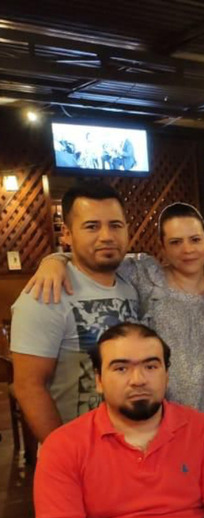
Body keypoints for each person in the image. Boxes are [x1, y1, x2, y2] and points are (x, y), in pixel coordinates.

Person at [34, 323, 204, 518]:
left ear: (166, 375)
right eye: (121, 368)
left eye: (151, 366)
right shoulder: (62, 446)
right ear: (99, 380)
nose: (138, 380)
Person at [24, 202, 204, 424]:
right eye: (175, 242)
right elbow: (93, 259)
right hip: (154, 415)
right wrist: (54, 260)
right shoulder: (147, 276)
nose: (187, 250)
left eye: (195, 239)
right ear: (163, 247)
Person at [11, 182, 139, 442]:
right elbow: (28, 386)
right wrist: (64, 453)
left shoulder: (132, 284)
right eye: (92, 226)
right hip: (80, 447)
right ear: (67, 234)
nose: (106, 236)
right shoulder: (45, 293)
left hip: (133, 444)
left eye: (115, 225)